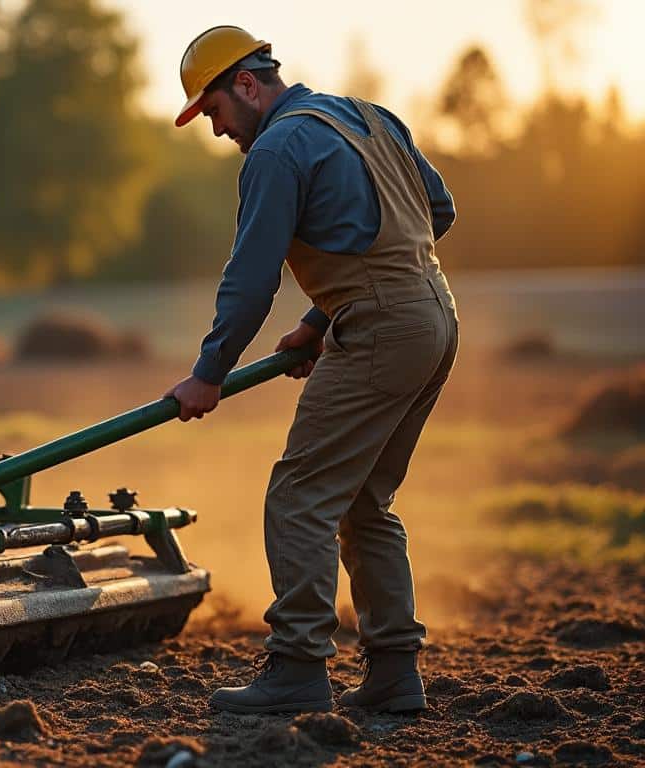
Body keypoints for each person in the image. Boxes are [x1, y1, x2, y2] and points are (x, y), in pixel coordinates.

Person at [163, 26, 459, 714]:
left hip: (385, 327)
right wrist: (328, 316)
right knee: (361, 500)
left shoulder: (275, 150)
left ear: (245, 84)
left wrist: (208, 373)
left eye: (212, 112)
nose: (216, 130)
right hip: (435, 315)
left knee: (300, 496)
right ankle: (393, 675)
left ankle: (297, 668)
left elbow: (251, 279)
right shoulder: (368, 117)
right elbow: (437, 212)